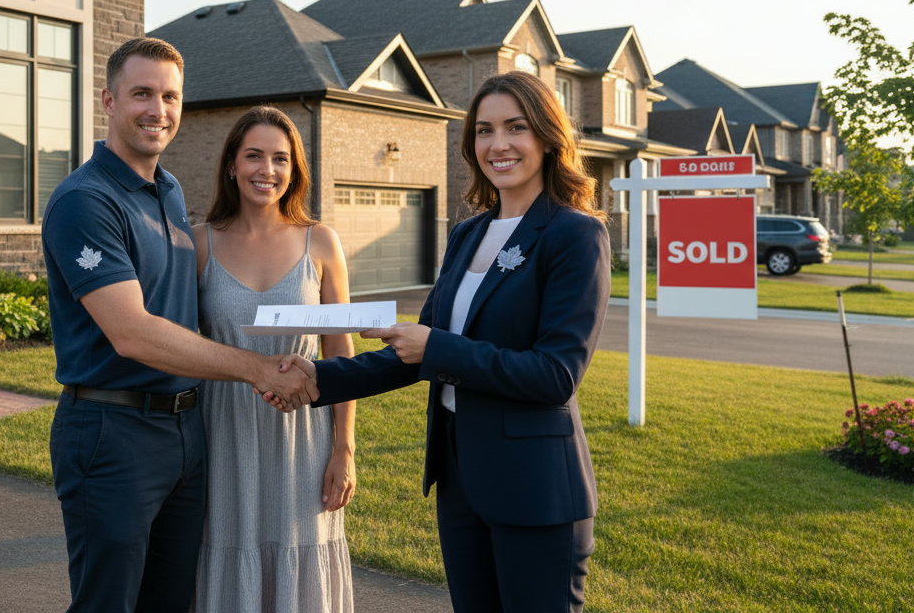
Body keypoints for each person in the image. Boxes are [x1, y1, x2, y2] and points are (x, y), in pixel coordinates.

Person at [270, 71, 610, 612]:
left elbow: (555, 376)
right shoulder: (467, 233)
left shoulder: (574, 234)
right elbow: (416, 354)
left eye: (515, 127)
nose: (498, 145)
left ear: (548, 137)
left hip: (535, 490)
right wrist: (319, 379)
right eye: (484, 130)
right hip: (460, 481)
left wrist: (435, 348)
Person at [42, 38, 319, 613]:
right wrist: (257, 368)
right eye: (141, 93)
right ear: (108, 100)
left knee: (172, 602)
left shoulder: (166, 192)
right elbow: (132, 332)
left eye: (170, 96)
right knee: (108, 603)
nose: (157, 110)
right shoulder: (85, 203)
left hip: (186, 433)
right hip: (112, 430)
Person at [191, 106, 357, 613]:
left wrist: (343, 449)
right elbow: (182, 344)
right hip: (223, 434)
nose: (268, 170)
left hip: (304, 443)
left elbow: (341, 351)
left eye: (280, 158)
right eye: (254, 156)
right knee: (226, 551)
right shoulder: (199, 244)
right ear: (231, 166)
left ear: (295, 169)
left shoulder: (321, 242)